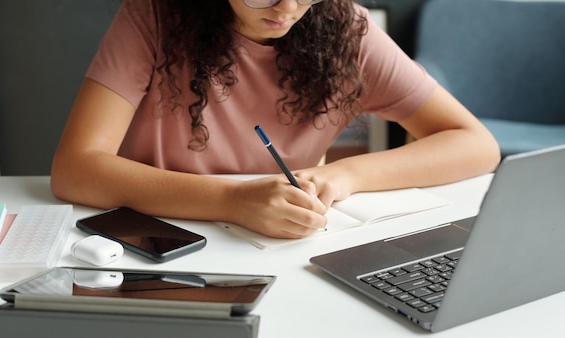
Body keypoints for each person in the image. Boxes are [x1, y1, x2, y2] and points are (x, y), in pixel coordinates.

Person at [50, 0, 500, 239]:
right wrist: (233, 201)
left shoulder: (348, 31)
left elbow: (476, 144)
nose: (287, 9)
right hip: (159, 239)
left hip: (281, 245)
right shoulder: (153, 16)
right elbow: (75, 170)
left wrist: (344, 176)